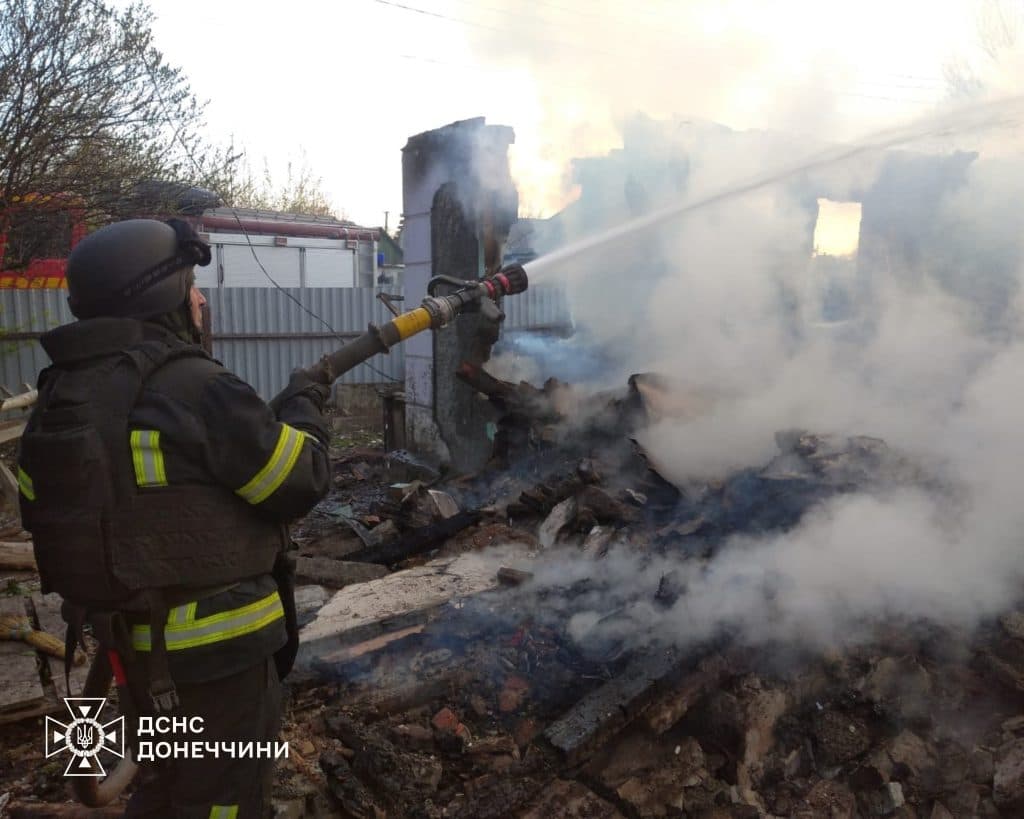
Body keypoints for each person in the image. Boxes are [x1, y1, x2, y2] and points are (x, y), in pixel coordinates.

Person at [16, 218, 331, 817]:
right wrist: (305, 404)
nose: (201, 299)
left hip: (126, 648)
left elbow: (49, 508)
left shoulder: (59, 393)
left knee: (163, 778)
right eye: (192, 285)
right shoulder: (194, 384)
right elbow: (301, 479)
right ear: (161, 296)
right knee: (225, 799)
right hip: (219, 656)